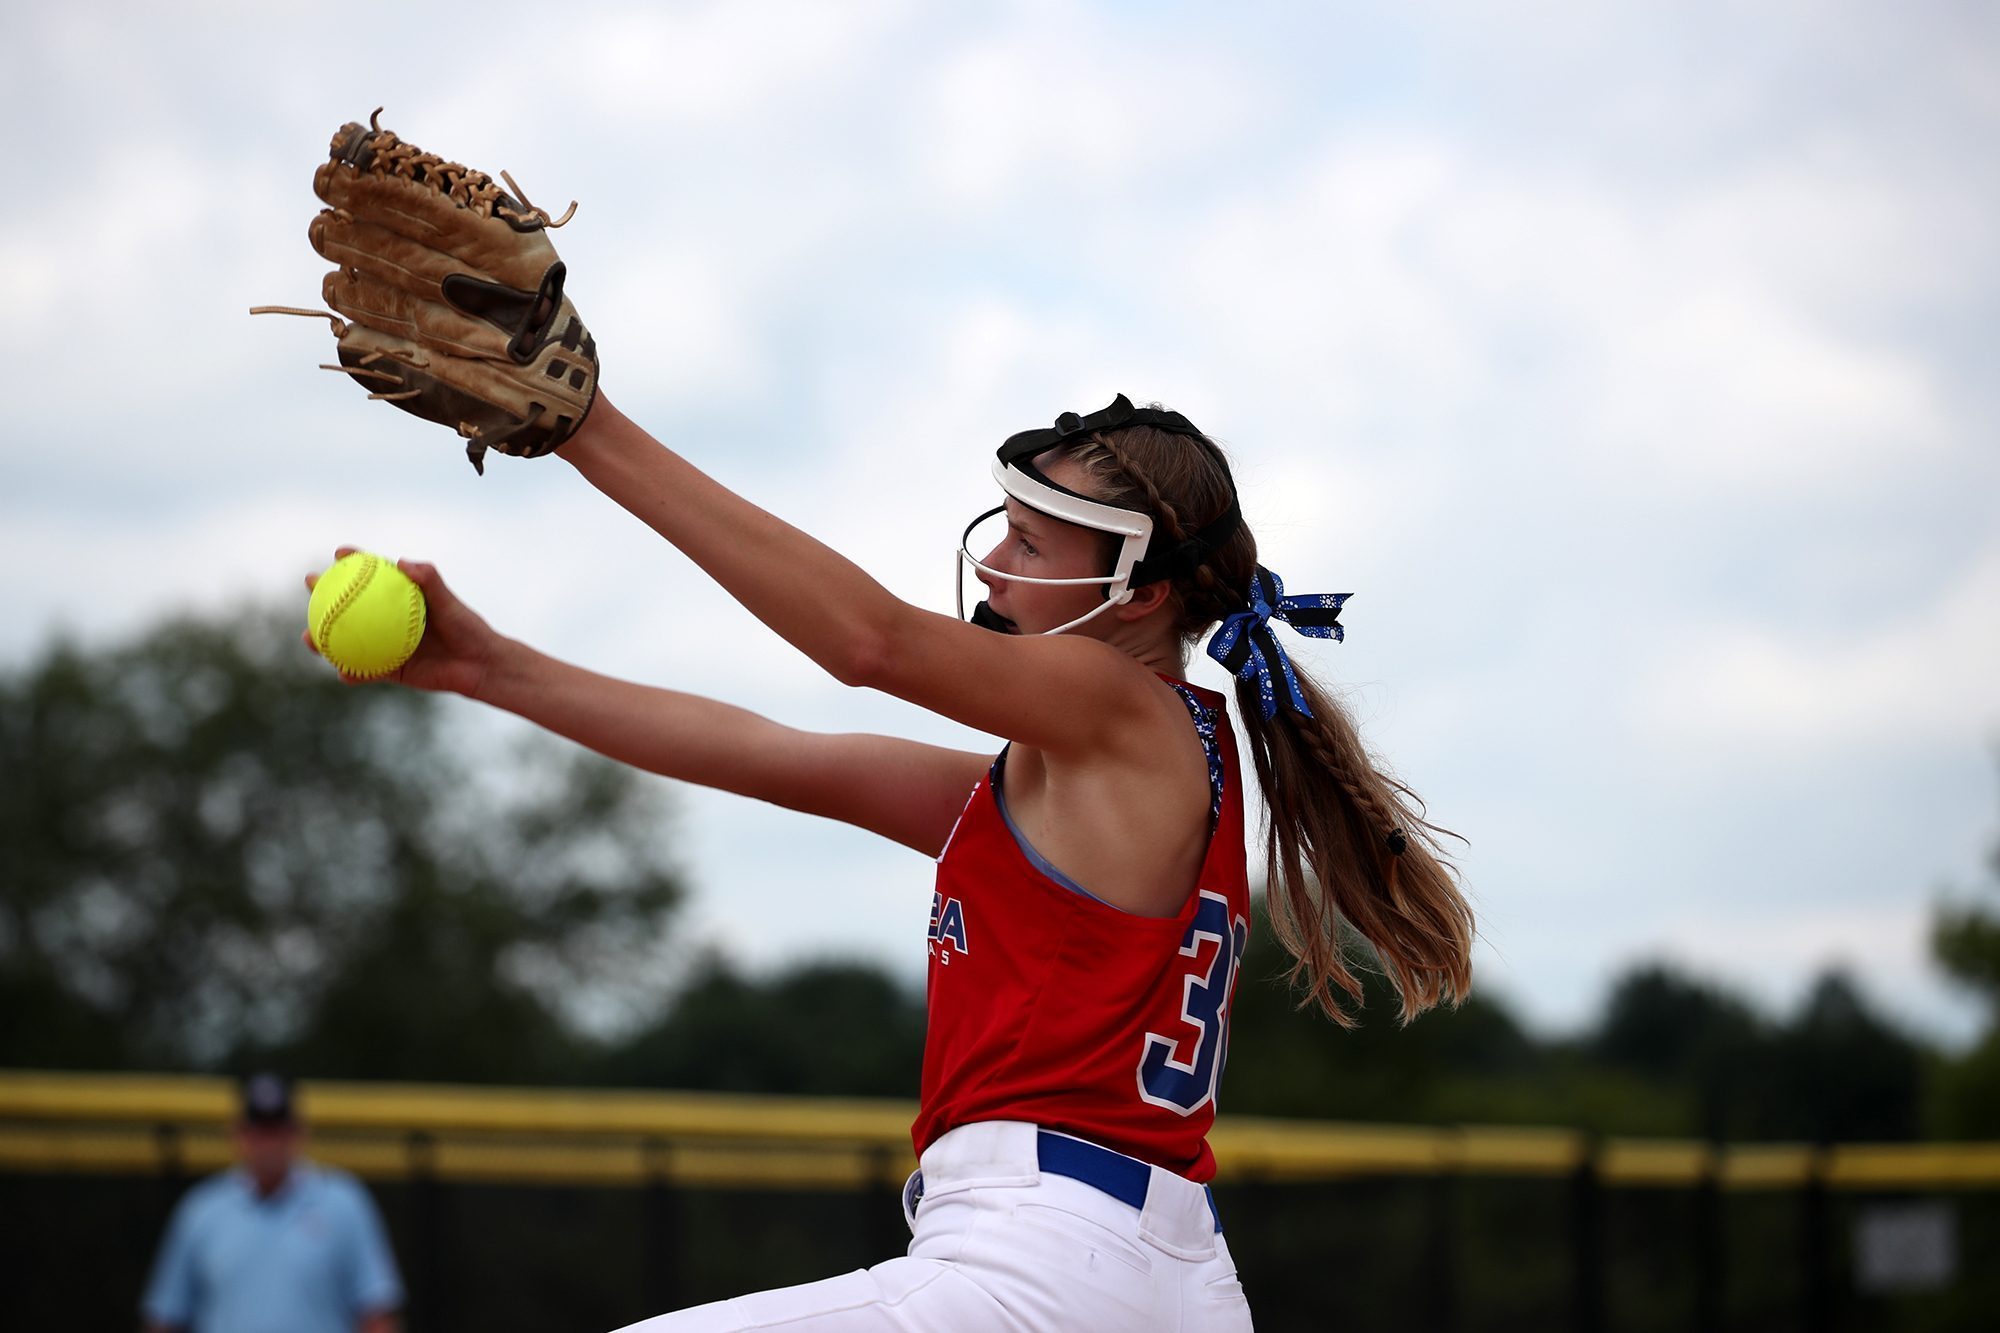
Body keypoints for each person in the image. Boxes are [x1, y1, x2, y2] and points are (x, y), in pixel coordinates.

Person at [307, 392, 1476, 1331]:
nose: (992, 566)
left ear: (1144, 591)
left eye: (1031, 539)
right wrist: (491, 667)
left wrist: (581, 426)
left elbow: (863, 641)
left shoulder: (1114, 702)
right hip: (1158, 1278)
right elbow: (768, 754)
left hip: (1039, 1264)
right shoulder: (1086, 773)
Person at [141, 1074, 404, 1333]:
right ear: (239, 1134)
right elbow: (167, 1317)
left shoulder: (343, 1202)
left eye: (278, 1129)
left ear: (298, 1131)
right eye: (260, 1130)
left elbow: (376, 1313)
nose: (269, 1143)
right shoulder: (201, 1210)